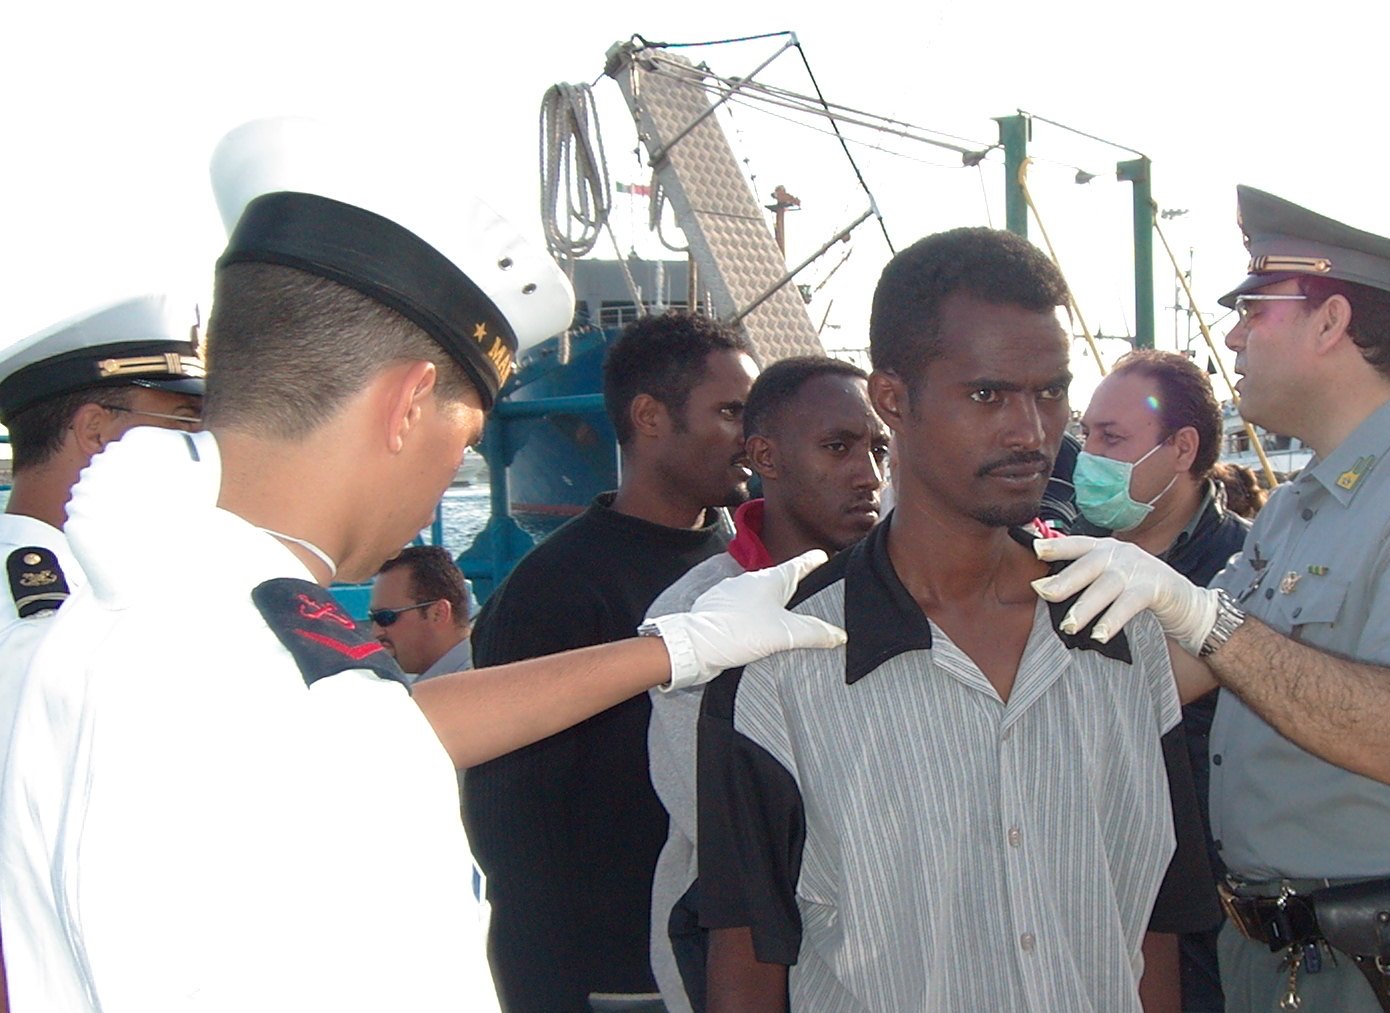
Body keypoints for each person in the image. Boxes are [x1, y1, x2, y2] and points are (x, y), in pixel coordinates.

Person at [0, 115, 842, 1013]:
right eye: (468, 435)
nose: (454, 465)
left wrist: (675, 647)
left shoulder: (174, 604)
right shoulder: (207, 657)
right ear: (409, 404)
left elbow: (376, 722)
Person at [1035, 185, 1390, 1013]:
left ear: (1331, 322)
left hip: (1387, 957)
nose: (1231, 334)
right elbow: (1181, 672)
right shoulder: (1308, 500)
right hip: (1277, 942)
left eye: (1255, 310)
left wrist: (1200, 610)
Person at [698, 227, 1216, 1012]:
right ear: (893, 399)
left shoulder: (1119, 631)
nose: (1033, 431)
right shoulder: (780, 659)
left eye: (1050, 392)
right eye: (988, 394)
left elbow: (1154, 928)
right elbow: (746, 957)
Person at [465, 310, 759, 1012]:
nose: (751, 437)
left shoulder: (751, 568)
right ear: (651, 416)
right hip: (622, 982)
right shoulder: (551, 593)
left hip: (742, 968)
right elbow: (512, 841)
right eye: (729, 412)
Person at [643, 355, 887, 1012]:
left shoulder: (910, 593)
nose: (869, 475)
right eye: (838, 447)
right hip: (754, 964)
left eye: (878, 448)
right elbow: (719, 818)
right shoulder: (692, 616)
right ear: (765, 457)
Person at [0, 293, 204, 1007]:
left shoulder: (98, 582)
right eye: (183, 426)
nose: (204, 453)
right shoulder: (36, 602)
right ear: (94, 430)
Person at [1076, 348, 1247, 1013]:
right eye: (1086, 434)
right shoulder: (1060, 550)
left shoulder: (1247, 568)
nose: (1088, 455)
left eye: (1110, 438)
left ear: (1181, 448)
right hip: (1094, 893)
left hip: (1213, 900)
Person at [370, 545, 474, 682]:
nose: (376, 632)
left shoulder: (473, 686)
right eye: (372, 618)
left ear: (438, 613)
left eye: (386, 617)